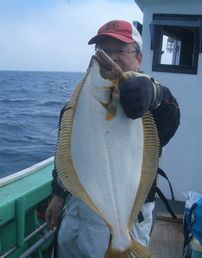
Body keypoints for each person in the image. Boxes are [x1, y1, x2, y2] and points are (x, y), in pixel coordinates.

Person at [45, 20, 180, 258]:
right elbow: (66, 151)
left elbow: (170, 119)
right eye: (104, 52)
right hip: (79, 210)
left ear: (138, 58)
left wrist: (153, 94)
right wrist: (57, 193)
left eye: (120, 50)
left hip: (128, 214)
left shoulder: (148, 98)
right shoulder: (78, 106)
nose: (112, 58)